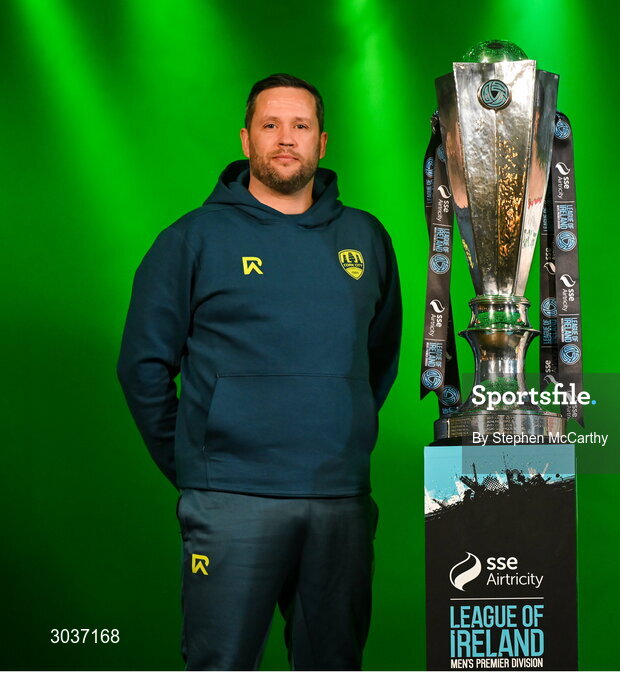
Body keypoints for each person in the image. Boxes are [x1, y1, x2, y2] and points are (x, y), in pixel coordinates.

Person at [117, 73, 401, 670]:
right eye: (270, 125)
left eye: (301, 125)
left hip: (339, 500)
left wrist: (338, 431)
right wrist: (200, 463)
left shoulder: (367, 238)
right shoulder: (191, 239)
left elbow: (376, 358)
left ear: (323, 141)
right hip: (229, 502)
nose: (286, 138)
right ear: (246, 139)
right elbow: (142, 366)